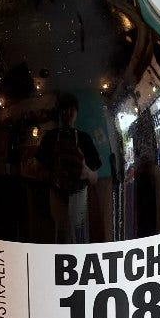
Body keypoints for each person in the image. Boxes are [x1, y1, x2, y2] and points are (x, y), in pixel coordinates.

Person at [37, 93, 101, 241]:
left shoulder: (85, 138)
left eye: (71, 109)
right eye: (64, 109)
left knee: (79, 234)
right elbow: (38, 170)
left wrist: (86, 173)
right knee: (58, 233)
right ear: (59, 112)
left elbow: (95, 177)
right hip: (56, 194)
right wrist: (52, 174)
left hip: (79, 194)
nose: (68, 113)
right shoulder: (49, 137)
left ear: (76, 112)